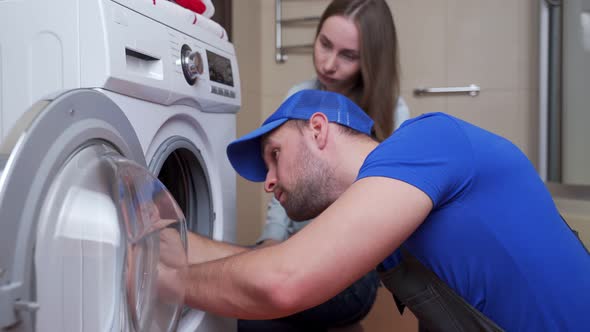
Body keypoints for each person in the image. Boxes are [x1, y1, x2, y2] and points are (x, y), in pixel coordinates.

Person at [164, 89, 590, 331]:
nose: (269, 181)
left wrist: (158, 277)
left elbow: (282, 282)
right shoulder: (391, 232)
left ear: (318, 129)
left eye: (274, 154)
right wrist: (175, 244)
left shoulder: (428, 141)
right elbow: (272, 265)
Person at [240, 0, 409, 330]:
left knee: (246, 310)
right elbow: (282, 177)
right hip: (298, 249)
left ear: (370, 61)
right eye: (324, 44)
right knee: (243, 286)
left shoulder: (393, 113)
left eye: (348, 55)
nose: (328, 64)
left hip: (353, 259)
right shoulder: (299, 95)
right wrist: (271, 240)